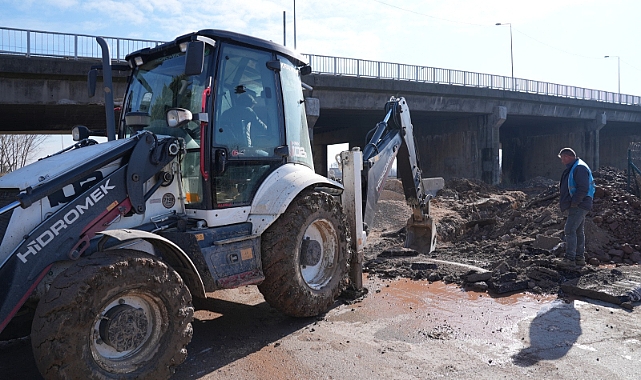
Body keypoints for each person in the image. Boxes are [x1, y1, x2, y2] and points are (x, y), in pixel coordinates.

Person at [557, 147, 595, 268]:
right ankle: (579, 258)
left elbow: (582, 187)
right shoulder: (576, 167)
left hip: (579, 204)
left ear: (567, 157)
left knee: (569, 229)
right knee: (578, 231)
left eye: (562, 158)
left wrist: (575, 202)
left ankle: (570, 259)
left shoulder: (579, 167)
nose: (562, 161)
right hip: (581, 203)